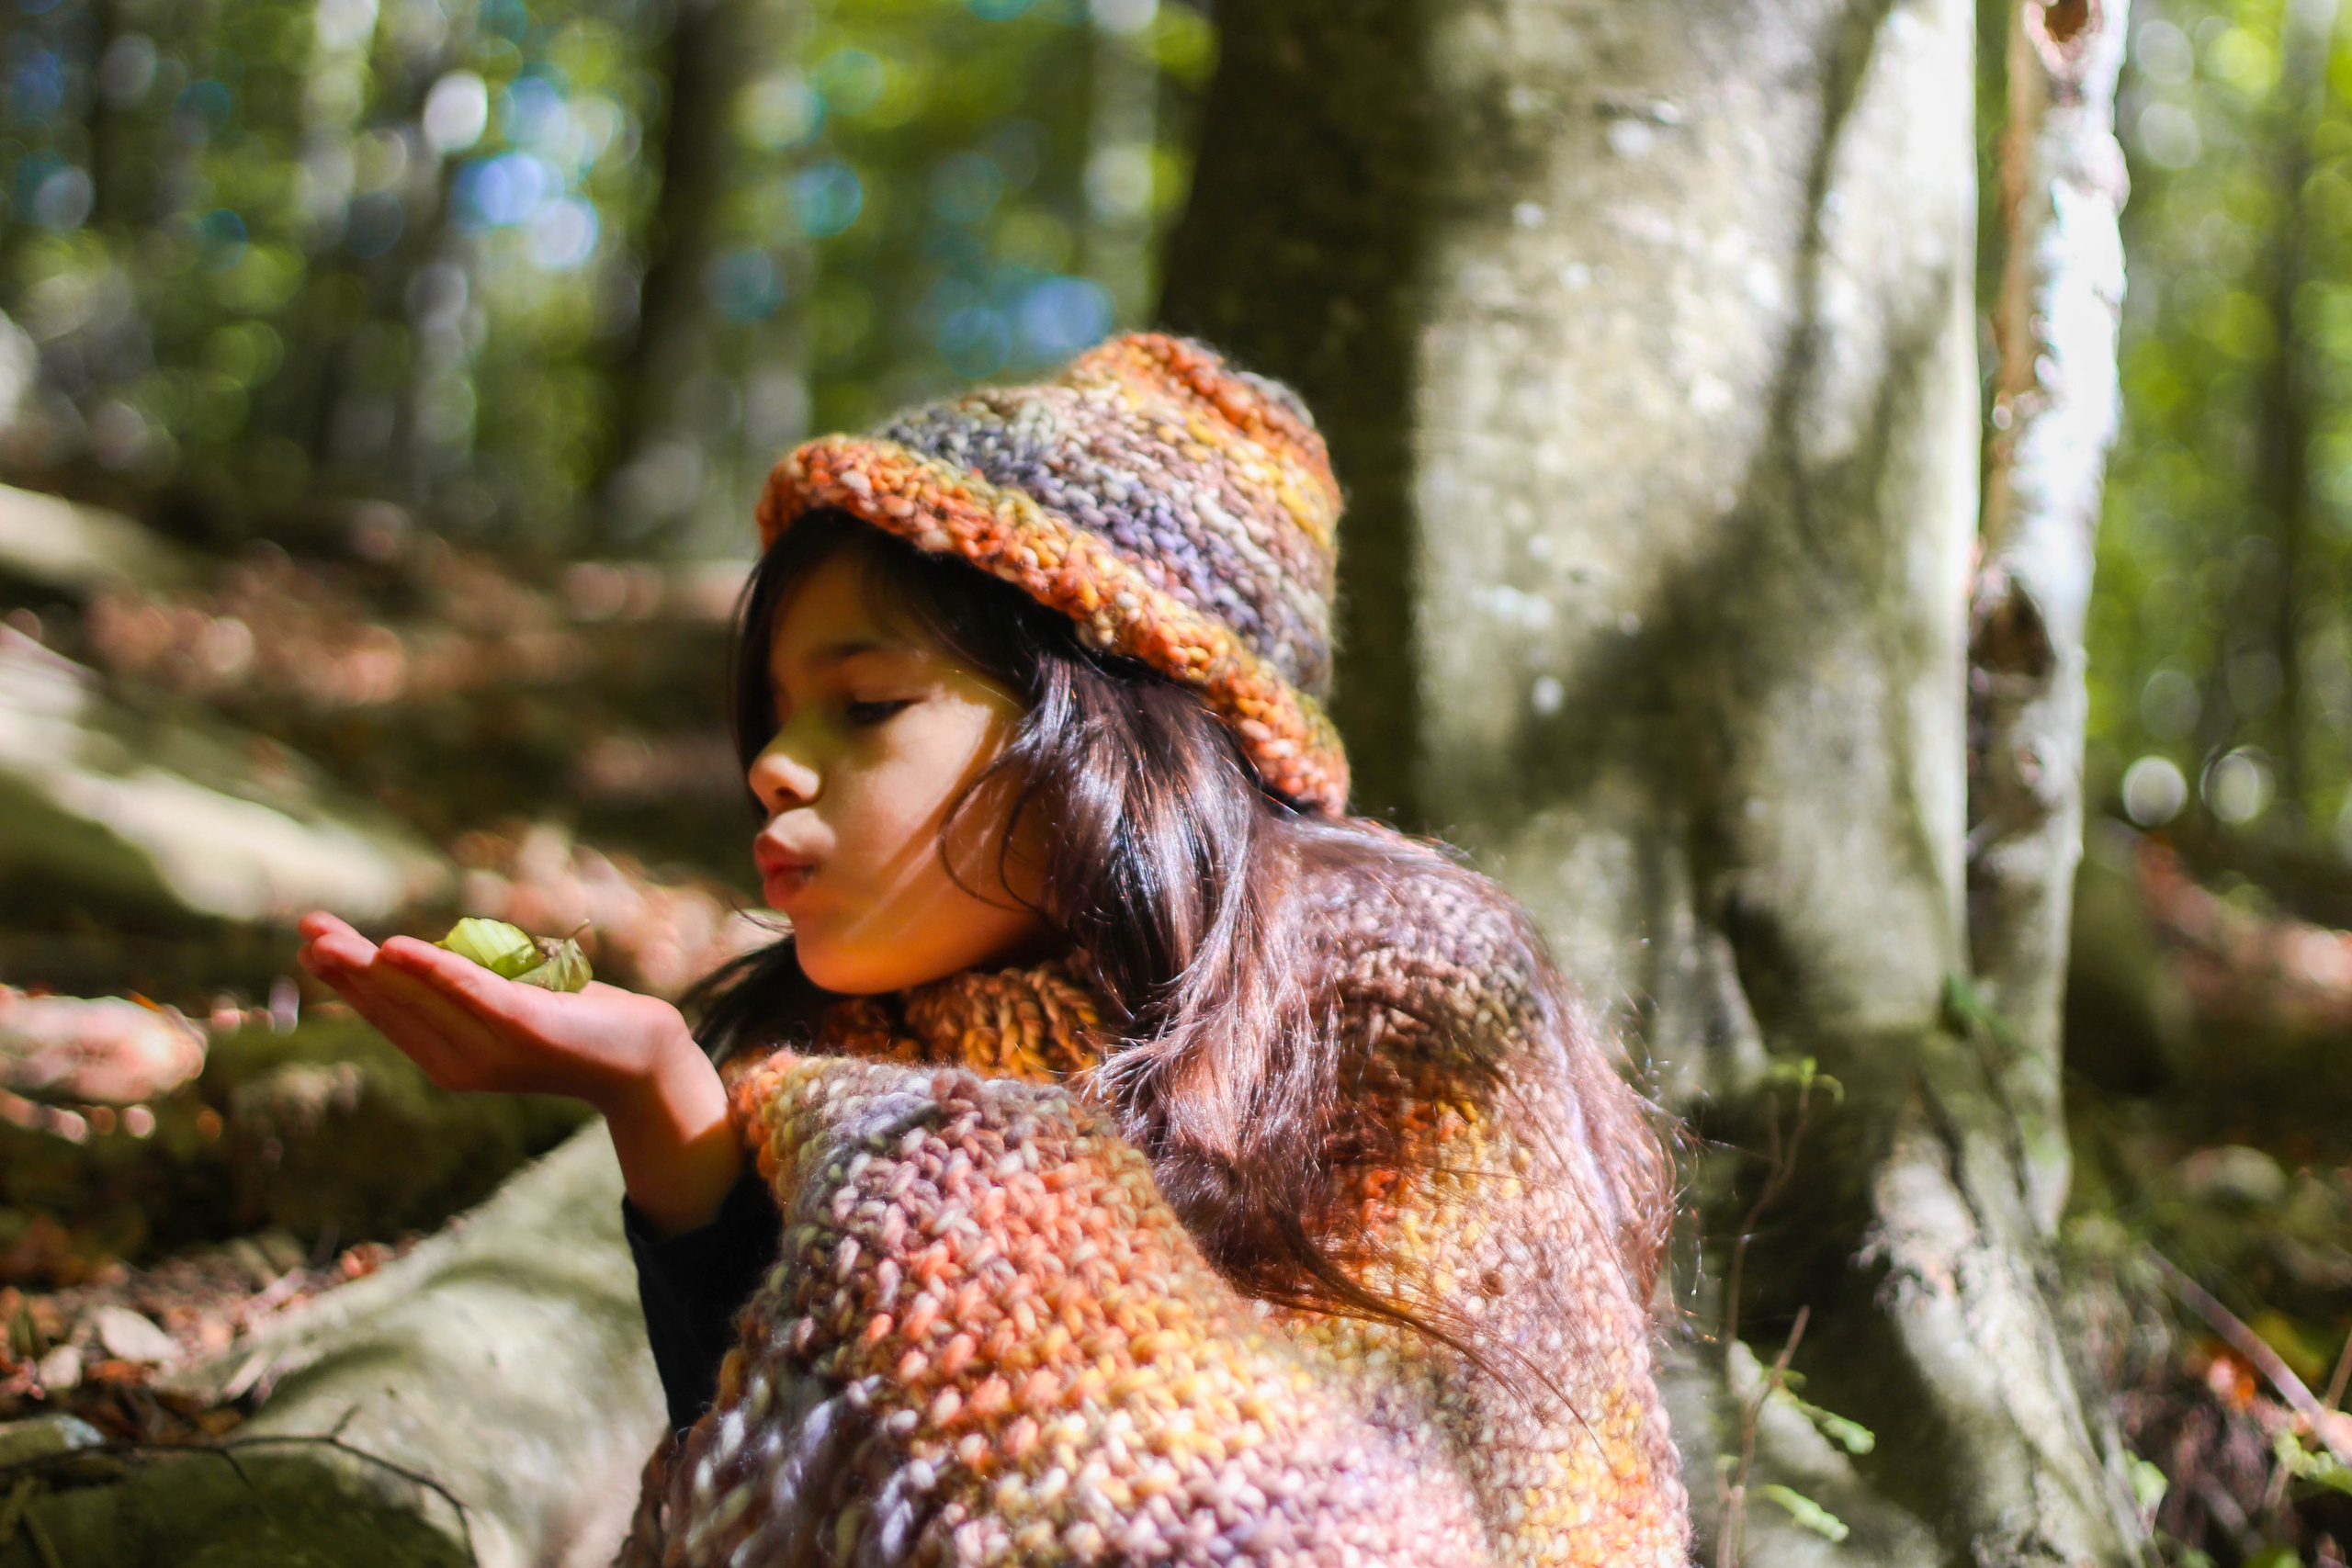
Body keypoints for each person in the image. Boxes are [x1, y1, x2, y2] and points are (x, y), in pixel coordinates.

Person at [297, 333, 1688, 1567]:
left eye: (868, 704)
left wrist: (959, 1197)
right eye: (774, 716)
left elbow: (1433, 1504)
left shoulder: (1410, 988)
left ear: (1111, 728)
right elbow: (782, 1490)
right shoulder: (854, 1061)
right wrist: (659, 1102)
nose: (776, 767)